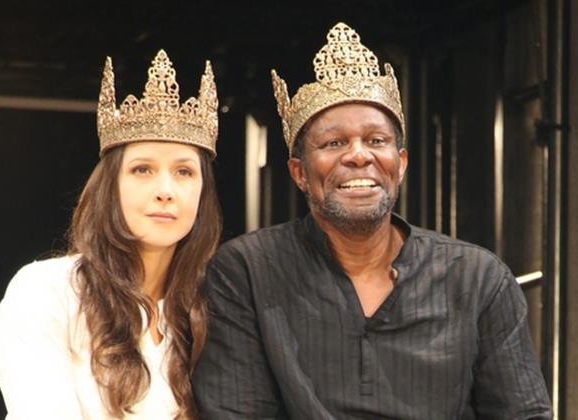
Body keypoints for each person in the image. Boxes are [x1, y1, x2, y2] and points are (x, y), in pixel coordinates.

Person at [192, 23, 551, 419]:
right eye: (334, 143)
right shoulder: (247, 271)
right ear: (299, 172)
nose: (359, 155)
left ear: (401, 164)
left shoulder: (478, 278)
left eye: (376, 141)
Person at [0, 49, 221, 419]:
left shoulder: (213, 308)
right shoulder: (48, 291)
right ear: (110, 188)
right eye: (142, 170)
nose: (165, 190)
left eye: (184, 172)